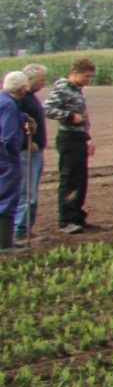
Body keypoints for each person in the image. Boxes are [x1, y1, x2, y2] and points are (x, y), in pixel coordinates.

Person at [44, 59, 94, 234]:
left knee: (81, 179)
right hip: (68, 138)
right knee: (70, 179)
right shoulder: (62, 89)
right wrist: (69, 116)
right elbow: (48, 109)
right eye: (86, 76)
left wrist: (88, 138)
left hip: (79, 137)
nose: (88, 80)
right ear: (75, 73)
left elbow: (83, 118)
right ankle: (66, 220)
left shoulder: (77, 90)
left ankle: (77, 217)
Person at [16, 63, 44, 241]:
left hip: (34, 150)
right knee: (27, 191)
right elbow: (15, 123)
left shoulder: (30, 97)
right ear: (29, 80)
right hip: (27, 151)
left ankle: (26, 228)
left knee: (30, 190)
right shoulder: (21, 100)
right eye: (41, 80)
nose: (43, 83)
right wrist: (28, 141)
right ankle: (20, 229)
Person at [0, 75, 23, 252]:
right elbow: (8, 138)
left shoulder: (3, 100)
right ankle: (5, 243)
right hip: (6, 158)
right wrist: (14, 158)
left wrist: (23, 116)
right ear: (22, 88)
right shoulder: (9, 104)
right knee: (7, 197)